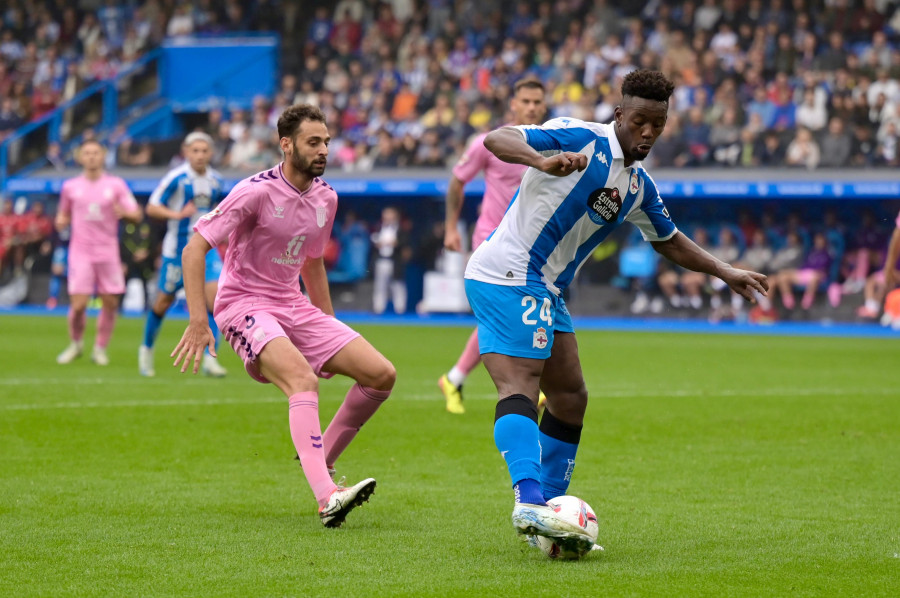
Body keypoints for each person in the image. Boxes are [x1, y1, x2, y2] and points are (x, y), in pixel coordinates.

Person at [463, 70, 768, 551]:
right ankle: (528, 501)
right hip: (509, 272)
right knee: (518, 383)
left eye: (658, 125)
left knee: (570, 398)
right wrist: (542, 161)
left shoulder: (638, 185)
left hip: (547, 288)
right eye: (641, 121)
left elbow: (667, 239)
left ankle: (549, 523)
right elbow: (497, 138)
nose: (648, 133)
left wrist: (723, 270)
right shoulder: (581, 135)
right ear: (620, 114)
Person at [171, 104, 395, 528]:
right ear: (286, 144)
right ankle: (327, 495)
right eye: (314, 142)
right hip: (244, 304)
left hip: (293, 305)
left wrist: (328, 326)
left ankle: (320, 459)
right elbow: (194, 248)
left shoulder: (326, 196)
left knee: (381, 375)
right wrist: (199, 320)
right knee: (301, 380)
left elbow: (312, 263)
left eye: (327, 141)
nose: (324, 150)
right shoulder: (254, 192)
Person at [438, 77, 547, 414]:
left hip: (530, 245)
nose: (531, 107)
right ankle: (529, 388)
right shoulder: (489, 142)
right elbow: (458, 181)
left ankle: (455, 378)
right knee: (506, 312)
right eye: (525, 101)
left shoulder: (552, 142)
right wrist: (451, 227)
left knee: (512, 313)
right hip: (491, 239)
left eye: (536, 102)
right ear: (513, 104)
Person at [139, 132, 228, 378]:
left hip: (207, 250)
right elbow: (152, 207)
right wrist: (177, 215)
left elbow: (222, 213)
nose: (200, 155)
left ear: (211, 153)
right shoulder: (176, 178)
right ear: (186, 152)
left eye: (204, 150)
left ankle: (211, 359)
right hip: (176, 252)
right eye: (195, 150)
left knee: (216, 300)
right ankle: (146, 350)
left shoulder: (216, 181)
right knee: (163, 302)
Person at [55, 139, 143, 365]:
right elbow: (62, 214)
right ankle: (75, 344)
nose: (92, 156)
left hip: (107, 251)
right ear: (80, 157)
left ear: (103, 156)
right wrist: (61, 221)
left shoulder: (116, 185)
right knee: (79, 305)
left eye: (96, 152)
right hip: (80, 251)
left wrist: (123, 211)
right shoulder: (70, 187)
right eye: (87, 153)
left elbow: (136, 214)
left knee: (110, 303)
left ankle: (100, 348)